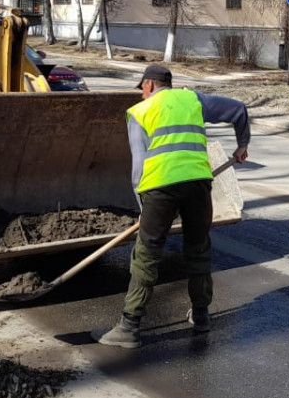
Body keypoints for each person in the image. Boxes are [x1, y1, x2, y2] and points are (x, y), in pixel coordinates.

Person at [93, 64, 250, 349]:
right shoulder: (193, 99)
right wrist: (242, 145)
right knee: (198, 248)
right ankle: (201, 316)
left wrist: (143, 204)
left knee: (147, 253)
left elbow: (139, 167)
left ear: (150, 85)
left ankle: (129, 327)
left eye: (141, 88)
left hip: (160, 187)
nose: (141, 95)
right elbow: (239, 110)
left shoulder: (139, 113)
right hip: (199, 184)